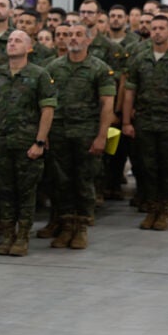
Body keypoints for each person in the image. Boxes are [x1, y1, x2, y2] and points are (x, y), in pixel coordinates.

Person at [44, 24, 115, 249]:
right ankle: (66, 227)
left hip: (86, 133)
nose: (72, 39)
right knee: (61, 181)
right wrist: (43, 134)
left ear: (88, 40)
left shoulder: (99, 68)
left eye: (77, 35)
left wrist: (102, 136)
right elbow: (46, 104)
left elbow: (107, 104)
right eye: (69, 35)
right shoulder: (53, 67)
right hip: (59, 132)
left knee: (84, 181)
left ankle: (81, 228)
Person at [0, 31, 56, 256]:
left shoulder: (39, 75)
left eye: (18, 41)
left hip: (28, 144)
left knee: (26, 193)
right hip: (1, 143)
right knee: (5, 191)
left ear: (29, 48)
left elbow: (47, 109)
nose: (12, 44)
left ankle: (23, 237)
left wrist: (40, 141)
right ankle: (7, 236)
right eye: (10, 41)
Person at [122, 15, 168, 230]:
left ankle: (164, 210)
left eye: (161, 28)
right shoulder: (140, 59)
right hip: (145, 123)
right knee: (147, 168)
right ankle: (152, 209)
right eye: (154, 28)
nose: (156, 31)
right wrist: (127, 122)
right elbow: (130, 92)